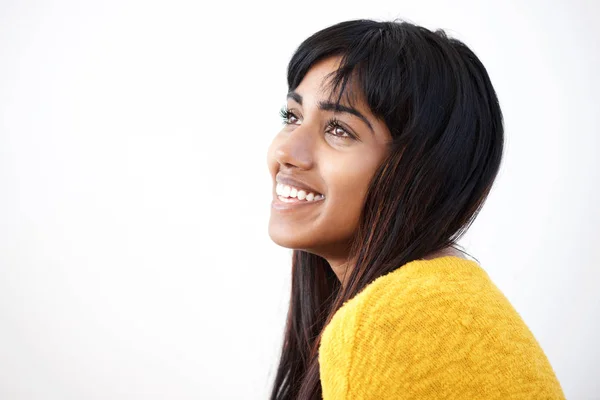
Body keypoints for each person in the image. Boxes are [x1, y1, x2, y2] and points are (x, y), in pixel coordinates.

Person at [266, 19, 565, 399]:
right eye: (291, 117)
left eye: (339, 129)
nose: (285, 152)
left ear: (422, 170)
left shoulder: (391, 323)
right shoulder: (440, 302)